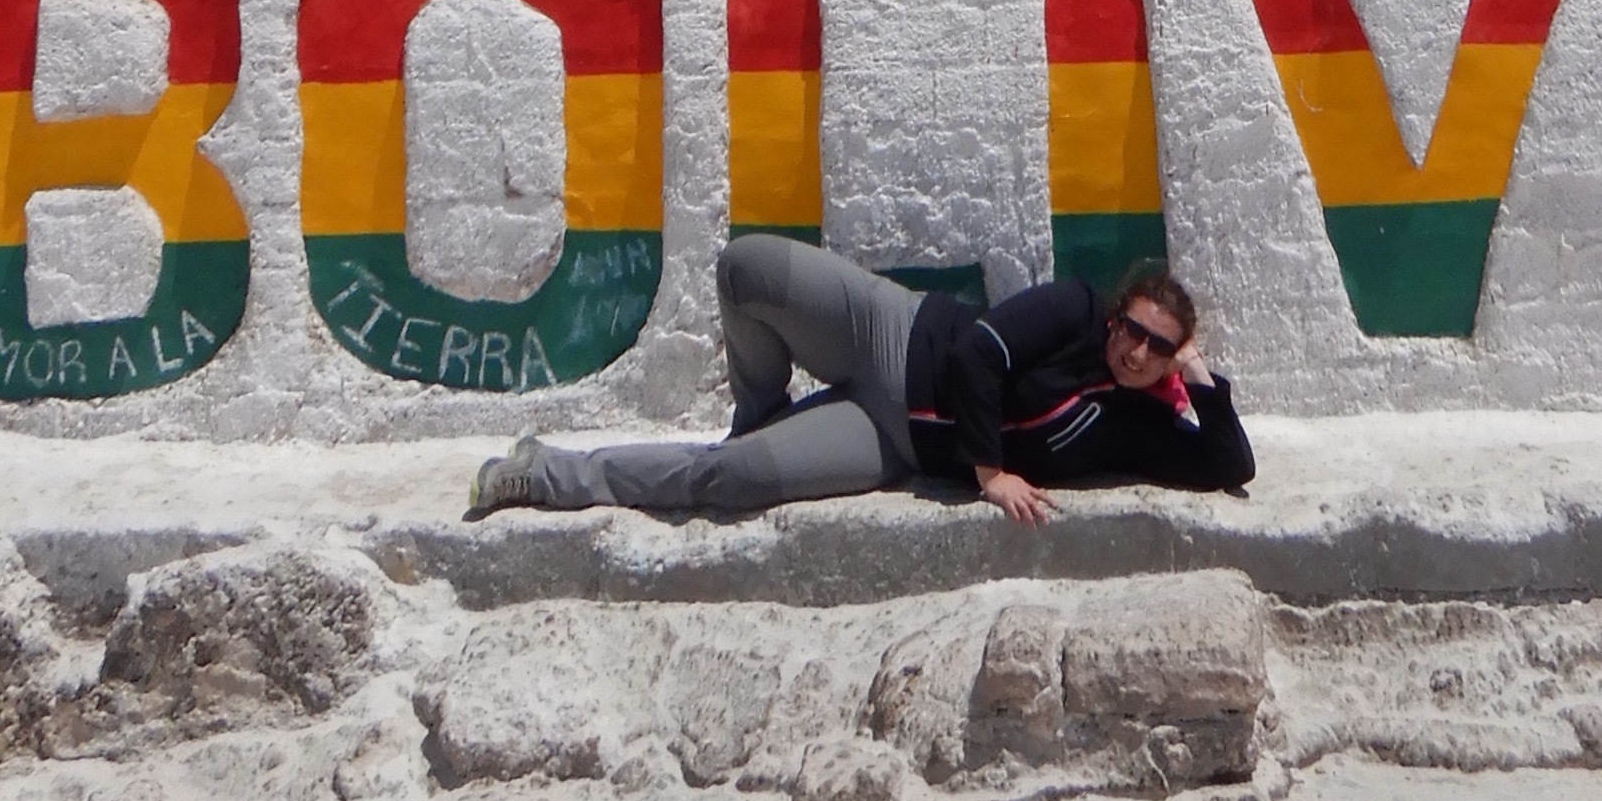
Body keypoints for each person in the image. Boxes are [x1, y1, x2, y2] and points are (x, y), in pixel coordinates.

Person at [463, 231, 1255, 526]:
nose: (1136, 350)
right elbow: (980, 353)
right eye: (1133, 330)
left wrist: (1200, 375)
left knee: (726, 480)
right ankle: (760, 412)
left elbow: (1230, 465)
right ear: (1115, 318)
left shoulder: (1137, 426)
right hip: (893, 332)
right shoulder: (1076, 309)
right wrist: (991, 474)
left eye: (1159, 346)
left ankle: (544, 474)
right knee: (745, 268)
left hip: (894, 442)